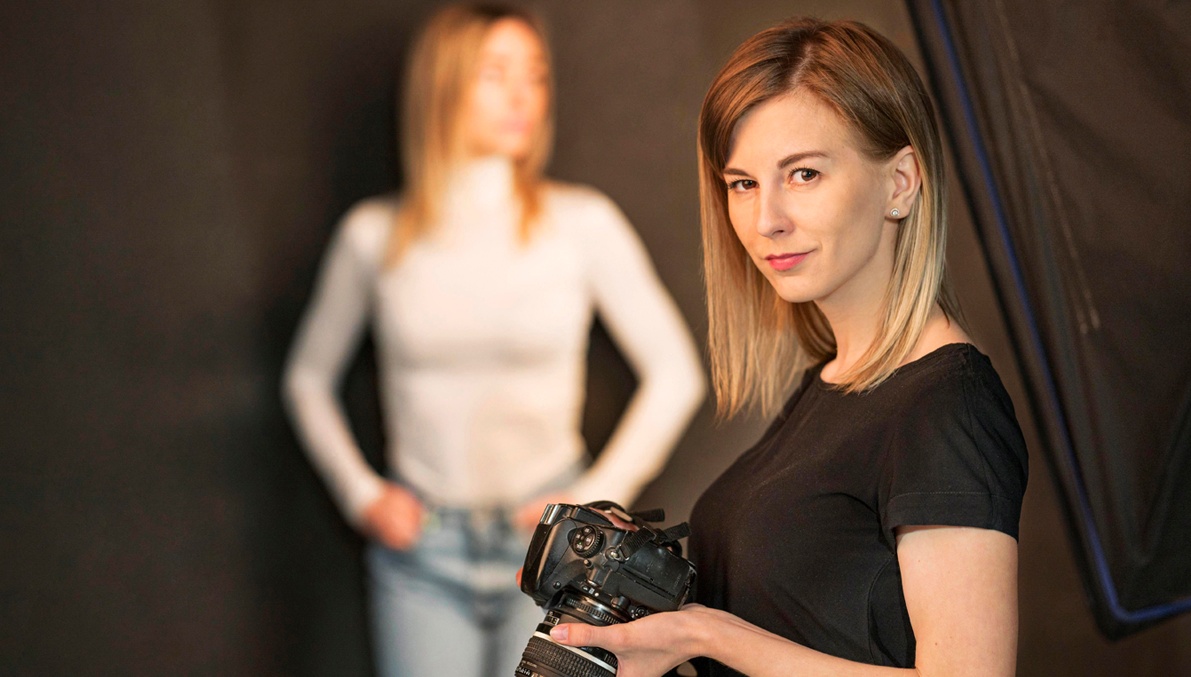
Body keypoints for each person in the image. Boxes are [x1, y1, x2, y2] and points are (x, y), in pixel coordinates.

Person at [545, 17, 1028, 676]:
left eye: (802, 174)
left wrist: (711, 635)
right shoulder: (834, 381)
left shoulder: (946, 407)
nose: (766, 219)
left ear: (900, 182)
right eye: (742, 183)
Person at [280, 5, 705, 677]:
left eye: (535, 75)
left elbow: (676, 374)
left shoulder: (582, 224)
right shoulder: (373, 236)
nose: (521, 95)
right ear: (442, 85)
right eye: (495, 73)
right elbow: (306, 378)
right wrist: (360, 495)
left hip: (553, 552)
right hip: (423, 554)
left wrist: (594, 496)